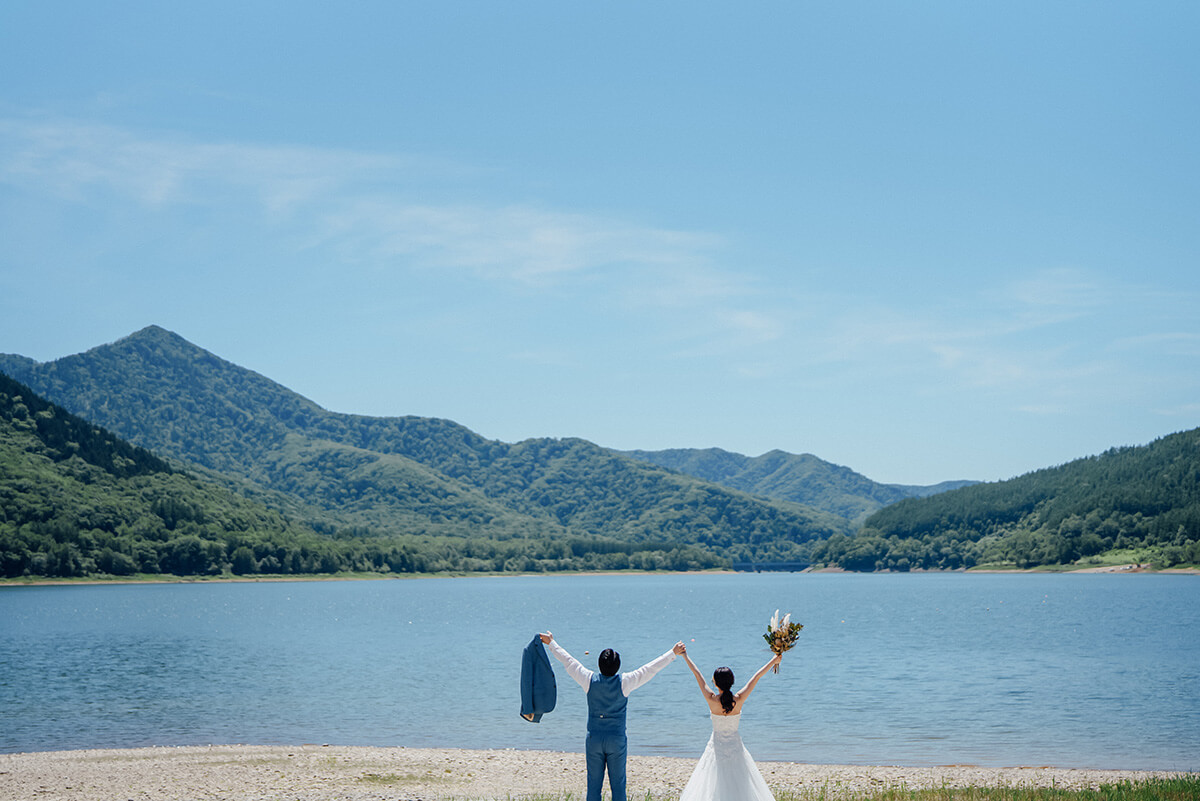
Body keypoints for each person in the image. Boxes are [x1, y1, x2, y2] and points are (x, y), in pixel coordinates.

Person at [539, 631, 685, 801]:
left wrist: (551, 643)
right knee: (618, 786)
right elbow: (649, 670)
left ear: (599, 664)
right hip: (616, 740)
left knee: (593, 786)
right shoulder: (625, 682)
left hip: (594, 738)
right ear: (618, 666)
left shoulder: (589, 680)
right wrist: (672, 653)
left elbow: (569, 662)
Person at [676, 643, 782, 801]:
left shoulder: (711, 700)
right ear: (731, 681)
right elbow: (756, 676)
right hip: (735, 749)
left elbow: (696, 673)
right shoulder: (739, 699)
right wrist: (773, 660)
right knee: (740, 786)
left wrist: (684, 656)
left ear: (715, 682)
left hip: (716, 749)